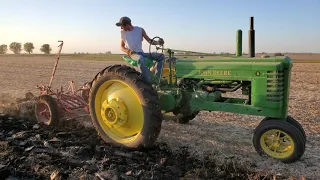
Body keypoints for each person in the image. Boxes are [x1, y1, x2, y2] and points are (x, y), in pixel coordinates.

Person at [115, 16, 165, 83]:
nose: (121, 28)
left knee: (161, 56)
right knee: (141, 59)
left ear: (127, 25)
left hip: (141, 53)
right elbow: (122, 47)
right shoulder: (123, 33)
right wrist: (129, 51)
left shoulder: (140, 30)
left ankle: (157, 79)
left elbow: (150, 41)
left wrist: (158, 42)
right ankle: (147, 82)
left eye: (122, 26)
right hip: (133, 54)